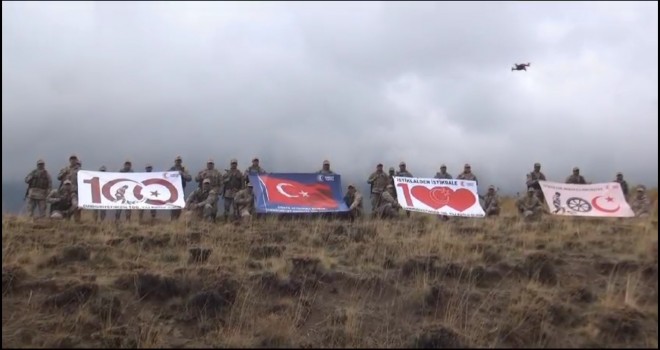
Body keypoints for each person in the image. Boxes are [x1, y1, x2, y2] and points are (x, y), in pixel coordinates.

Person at [169, 156, 192, 220]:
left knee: (179, 205)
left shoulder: (184, 169)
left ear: (181, 162)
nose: (178, 162)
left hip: (181, 190)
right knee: (173, 205)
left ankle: (177, 219)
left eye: (179, 161)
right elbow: (165, 176)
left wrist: (182, 174)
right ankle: (172, 219)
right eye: (177, 161)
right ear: (175, 161)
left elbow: (189, 178)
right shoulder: (171, 169)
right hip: (173, 190)